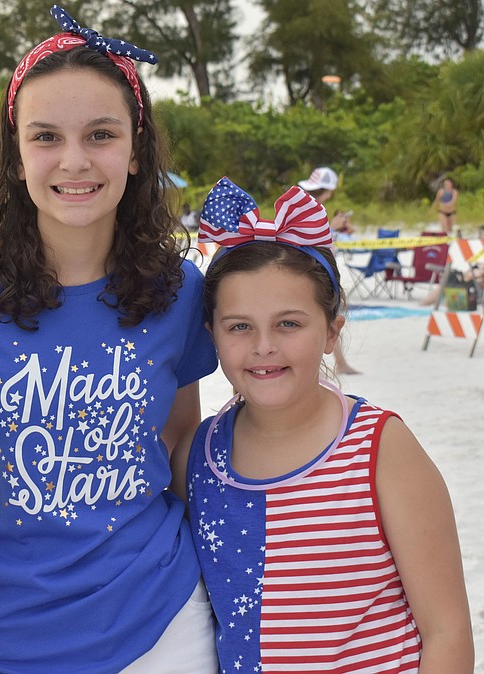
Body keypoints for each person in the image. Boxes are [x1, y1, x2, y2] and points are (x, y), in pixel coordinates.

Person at [0, 6, 218, 673]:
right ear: (16, 156)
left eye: (101, 134)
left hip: (166, 626)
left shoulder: (178, 290)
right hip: (4, 638)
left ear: (136, 150)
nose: (75, 160)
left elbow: (179, 442)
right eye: (47, 137)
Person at [171, 177, 474, 673]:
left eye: (289, 323)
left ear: (332, 331)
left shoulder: (381, 449)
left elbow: (447, 632)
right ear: (212, 336)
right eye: (240, 326)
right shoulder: (196, 460)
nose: (264, 346)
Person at [298, 166, 360, 374]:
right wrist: (333, 227)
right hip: (315, 271)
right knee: (325, 318)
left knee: (323, 318)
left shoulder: (303, 205)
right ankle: (336, 364)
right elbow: (316, 241)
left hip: (308, 270)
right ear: (328, 190)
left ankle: (339, 363)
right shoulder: (313, 209)